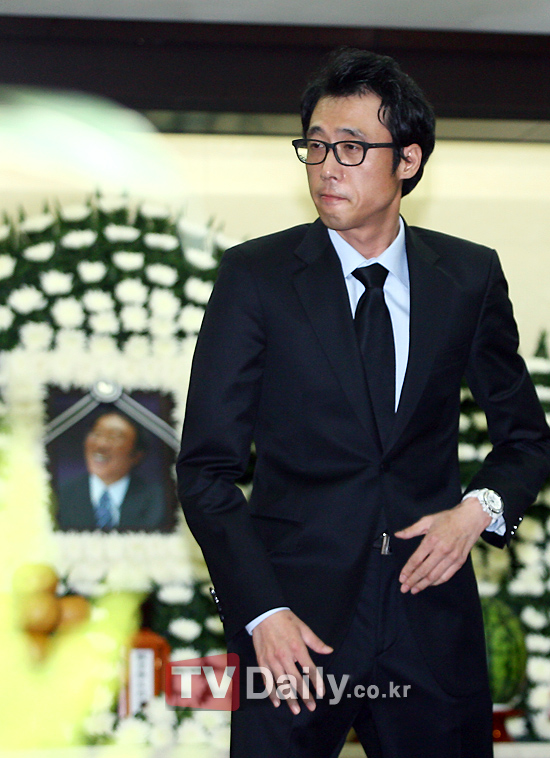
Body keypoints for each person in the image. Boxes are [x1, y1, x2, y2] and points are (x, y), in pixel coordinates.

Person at [177, 47, 550, 758]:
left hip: (429, 624)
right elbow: (205, 470)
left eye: (351, 147)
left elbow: (526, 439)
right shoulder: (257, 276)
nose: (327, 167)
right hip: (293, 630)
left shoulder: (467, 277)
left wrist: (476, 512)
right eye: (315, 146)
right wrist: (261, 612)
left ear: (408, 159)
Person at [56, 411, 166, 532]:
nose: (101, 445)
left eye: (114, 437)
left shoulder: (159, 502)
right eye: (96, 434)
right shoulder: (59, 495)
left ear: (137, 455)